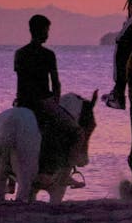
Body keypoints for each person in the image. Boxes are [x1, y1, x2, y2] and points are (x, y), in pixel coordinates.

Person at [14, 14, 81, 170]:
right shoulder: (48, 55)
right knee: (76, 132)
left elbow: (21, 79)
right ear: (42, 31)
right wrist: (55, 102)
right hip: (43, 102)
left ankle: (11, 178)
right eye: (47, 30)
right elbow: (56, 83)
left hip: (22, 102)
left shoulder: (19, 53)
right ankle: (68, 172)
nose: (48, 34)